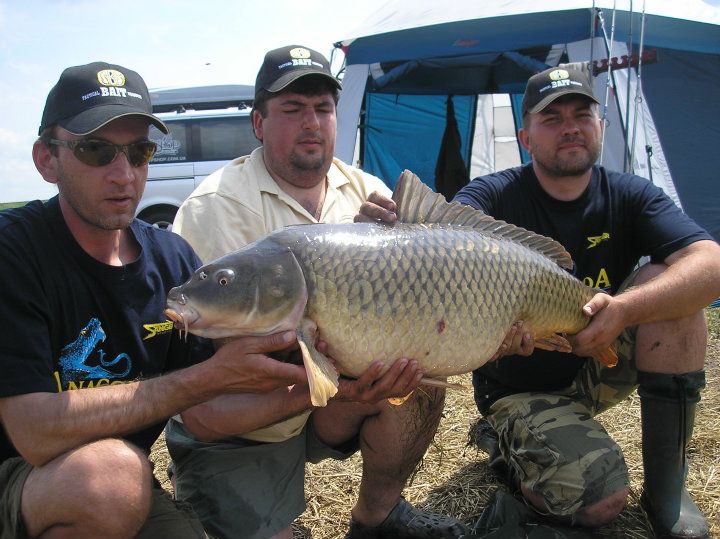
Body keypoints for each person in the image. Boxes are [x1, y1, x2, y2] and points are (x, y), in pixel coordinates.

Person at [357, 66, 720, 538]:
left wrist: (623, 311)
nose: (569, 126)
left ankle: (666, 490)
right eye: (552, 118)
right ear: (526, 138)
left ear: (599, 127)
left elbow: (709, 263)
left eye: (581, 114)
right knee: (600, 502)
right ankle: (508, 441)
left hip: (594, 363)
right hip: (519, 384)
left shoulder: (629, 194)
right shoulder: (491, 195)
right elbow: (437, 243)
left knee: (672, 292)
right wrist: (386, 233)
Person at [167, 45, 468, 539]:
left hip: (333, 397)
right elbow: (208, 375)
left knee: (420, 380)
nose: (312, 122)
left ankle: (378, 516)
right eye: (292, 109)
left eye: (323, 108)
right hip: (244, 422)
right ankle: (213, 490)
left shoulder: (366, 189)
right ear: (259, 123)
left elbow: (418, 292)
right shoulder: (214, 208)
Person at [0, 61, 310, 539]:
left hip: (117, 484)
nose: (123, 174)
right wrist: (197, 381)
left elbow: (207, 415)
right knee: (111, 479)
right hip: (21, 476)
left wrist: (327, 388)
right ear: (46, 159)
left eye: (140, 151)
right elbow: (33, 433)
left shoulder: (171, 259)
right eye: (95, 150)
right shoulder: (13, 254)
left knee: (119, 483)